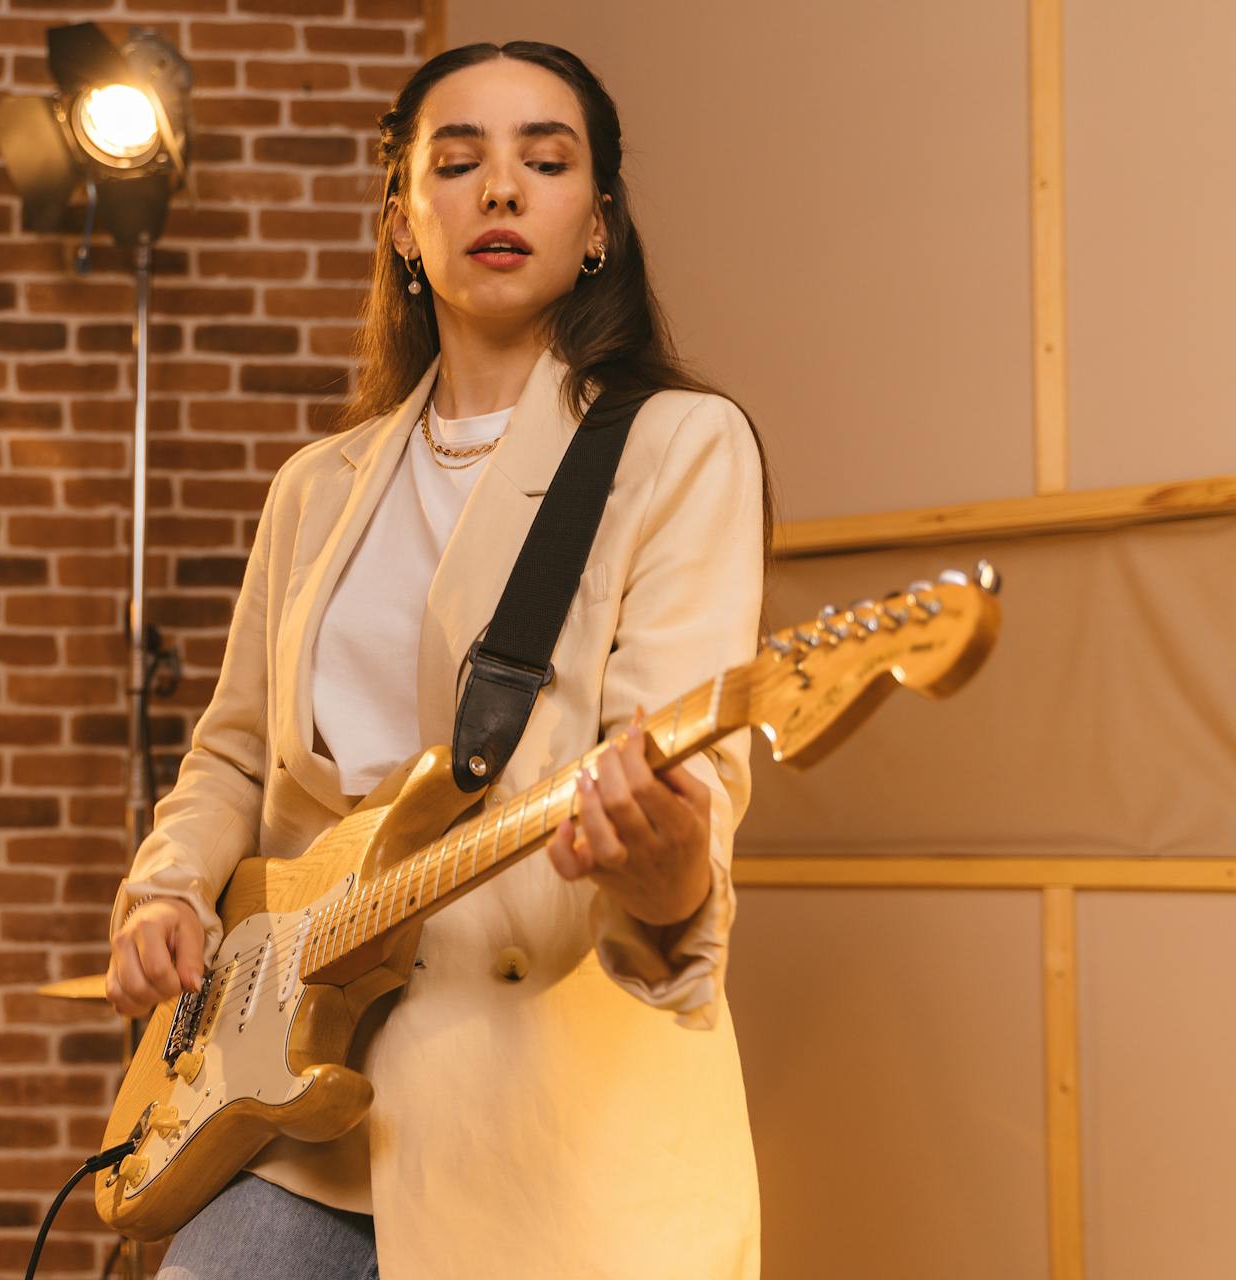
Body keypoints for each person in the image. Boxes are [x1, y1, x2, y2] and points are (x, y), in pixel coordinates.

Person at [104, 42, 770, 1279]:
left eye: (546, 160)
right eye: (456, 162)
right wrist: (167, 885)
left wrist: (674, 871)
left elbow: (686, 775)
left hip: (547, 1097)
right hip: (291, 1090)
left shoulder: (680, 447)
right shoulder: (317, 484)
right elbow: (236, 748)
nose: (501, 190)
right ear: (405, 223)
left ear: (599, 226)